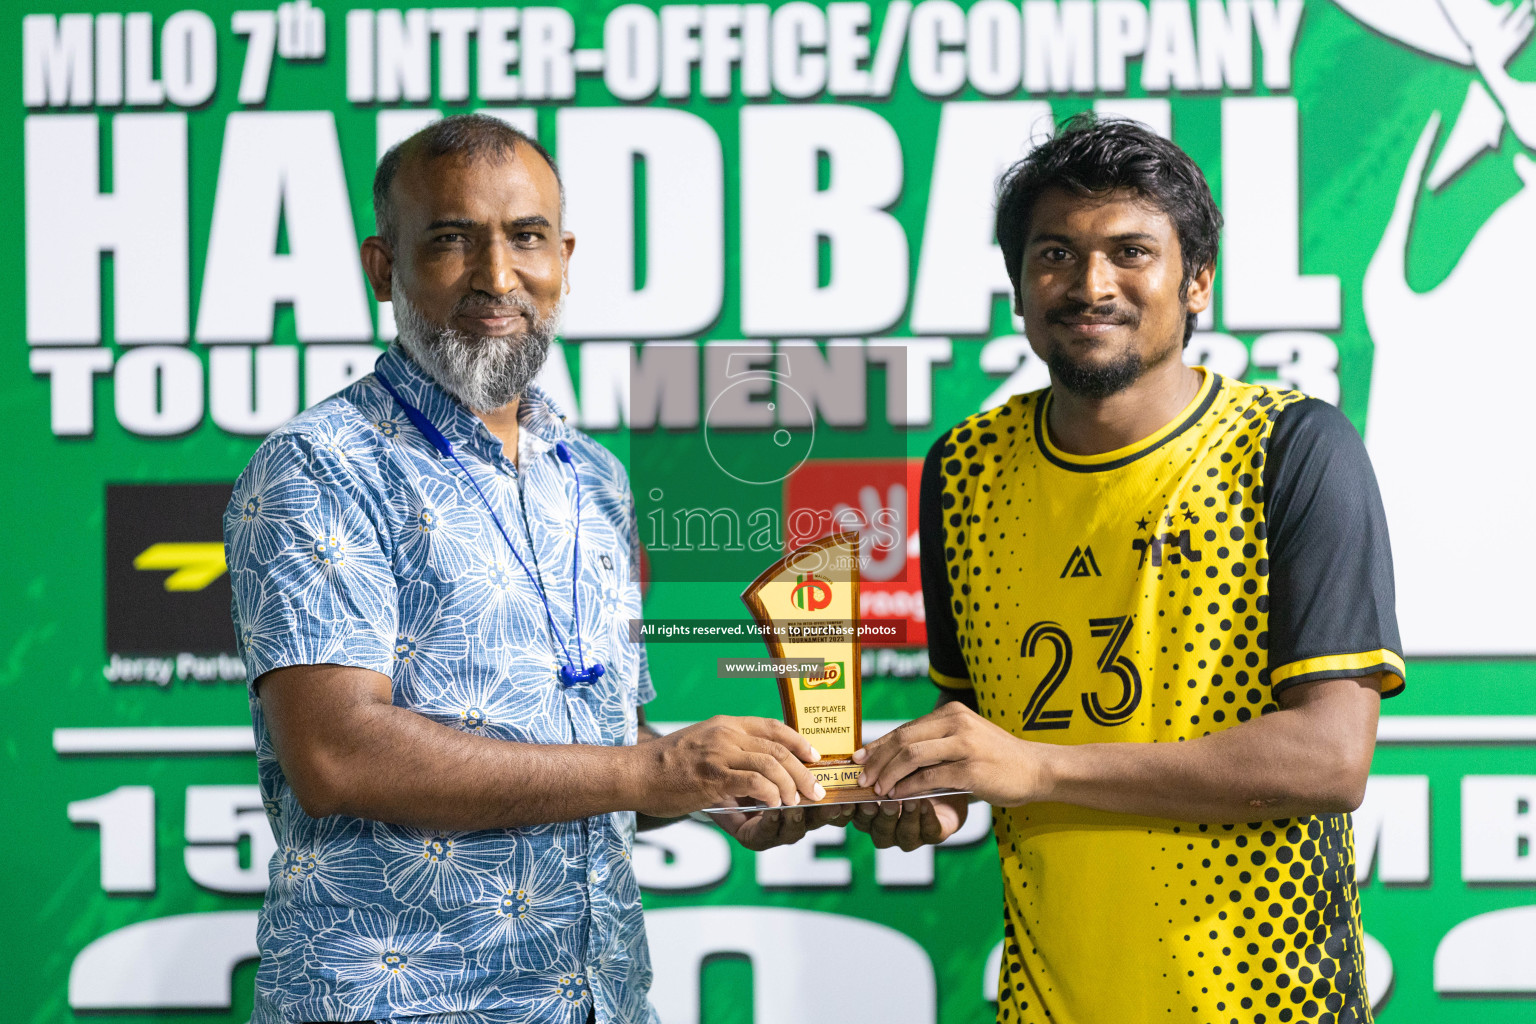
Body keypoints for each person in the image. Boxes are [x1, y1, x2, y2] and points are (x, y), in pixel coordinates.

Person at [224, 114, 837, 1024]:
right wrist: (653, 770)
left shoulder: (591, 476)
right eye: (450, 240)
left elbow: (606, 751)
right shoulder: (321, 464)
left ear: (564, 256)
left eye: (526, 237)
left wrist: (721, 791)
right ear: (382, 267)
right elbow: (336, 751)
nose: (497, 276)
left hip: (598, 999)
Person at [850, 115, 1403, 1024]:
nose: (1090, 284)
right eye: (1056, 254)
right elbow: (982, 740)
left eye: (1131, 251)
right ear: (1020, 290)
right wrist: (910, 793)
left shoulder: (1290, 444)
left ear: (1197, 282)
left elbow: (1329, 759)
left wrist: (1035, 771)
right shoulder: (963, 471)